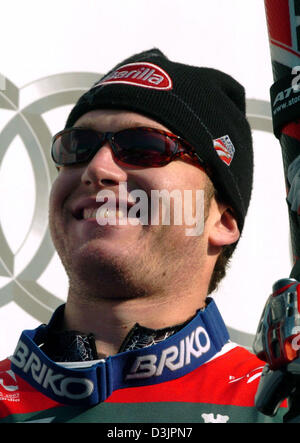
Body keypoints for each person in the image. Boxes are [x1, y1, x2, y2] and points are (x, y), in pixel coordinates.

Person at [0, 48, 286, 423]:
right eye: (78, 147)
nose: (98, 168)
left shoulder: (275, 407)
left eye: (144, 147)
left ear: (222, 221)